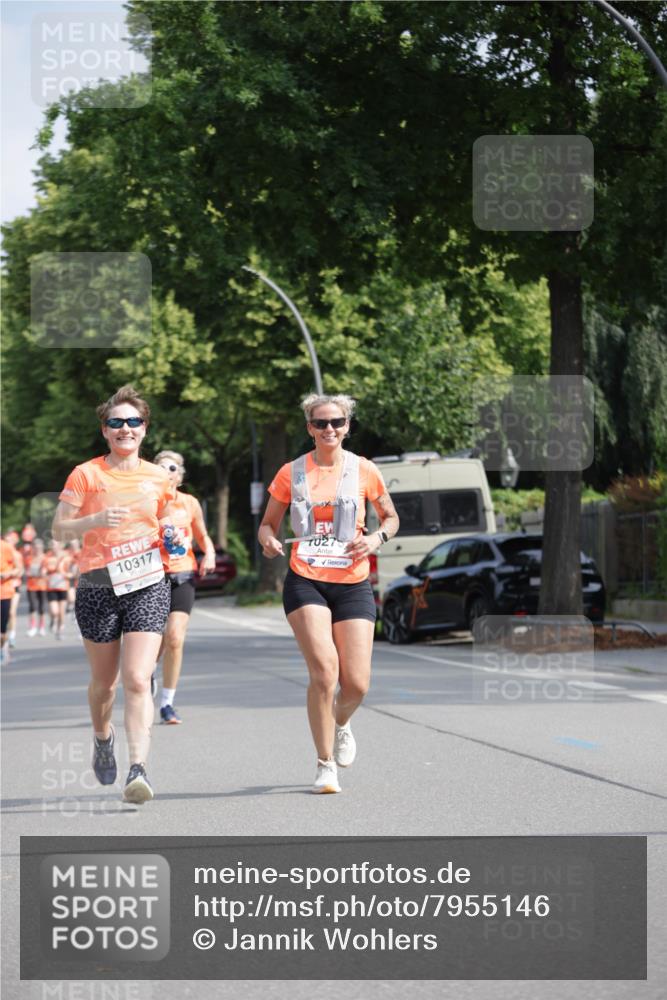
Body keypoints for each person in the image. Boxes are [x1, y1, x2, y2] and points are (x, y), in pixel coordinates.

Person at [258, 393, 399, 794]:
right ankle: (324, 764)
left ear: (347, 426)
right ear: (309, 428)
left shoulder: (365, 470)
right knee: (324, 672)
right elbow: (267, 524)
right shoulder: (292, 472)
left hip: (353, 580)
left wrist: (376, 538)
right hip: (306, 579)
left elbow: (391, 517)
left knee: (357, 684)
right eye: (320, 423)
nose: (329, 429)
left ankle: (341, 723)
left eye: (336, 422)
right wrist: (268, 541)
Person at [52, 385, 177, 804]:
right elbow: (59, 529)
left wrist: (173, 533)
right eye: (116, 423)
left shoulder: (158, 477)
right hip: (98, 585)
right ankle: (102, 738)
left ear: (145, 428)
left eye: (133, 422)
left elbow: (167, 517)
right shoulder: (86, 474)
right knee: (105, 684)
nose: (125, 429)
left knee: (138, 679)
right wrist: (97, 518)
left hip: (147, 583)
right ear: (105, 430)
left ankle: (137, 769)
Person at [151, 450, 217, 724]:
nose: (167, 472)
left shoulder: (190, 503)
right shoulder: (146, 503)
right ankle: (147, 673)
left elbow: (201, 534)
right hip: (152, 577)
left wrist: (209, 553)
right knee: (154, 641)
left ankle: (167, 703)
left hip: (183, 574)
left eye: (173, 468)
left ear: (180, 475)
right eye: (161, 468)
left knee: (175, 636)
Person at [44, 539, 70, 640]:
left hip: (63, 586)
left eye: (54, 545)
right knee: (55, 611)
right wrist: (44, 573)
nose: (53, 547)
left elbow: (72, 570)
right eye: (51, 545)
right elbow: (44, 570)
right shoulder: (47, 557)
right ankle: (52, 620)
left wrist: (68, 574)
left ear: (60, 545)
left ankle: (60, 631)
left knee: (61, 612)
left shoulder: (66, 557)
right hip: (51, 587)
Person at [1, 537, 19, 665]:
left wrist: (7, 574)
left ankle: (3, 647)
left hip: (4, 593)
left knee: (2, 630)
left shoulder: (6, 547)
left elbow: (19, 569)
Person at [3, 530, 23, 648]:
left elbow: (21, 570)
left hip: (14, 586)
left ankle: (12, 636)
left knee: (11, 612)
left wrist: (11, 574)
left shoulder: (17, 554)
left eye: (10, 539)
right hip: (4, 586)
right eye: (6, 539)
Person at [26, 539, 48, 636]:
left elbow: (45, 571)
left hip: (42, 586)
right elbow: (26, 571)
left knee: (42, 607)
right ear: (33, 548)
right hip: (31, 586)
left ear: (42, 547)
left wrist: (42, 572)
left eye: (39, 547)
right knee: (32, 606)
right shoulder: (29, 558)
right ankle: (32, 627)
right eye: (35, 547)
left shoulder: (45, 558)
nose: (37, 549)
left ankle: (41, 627)